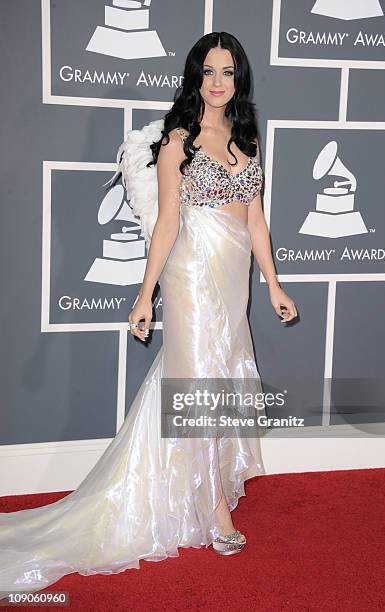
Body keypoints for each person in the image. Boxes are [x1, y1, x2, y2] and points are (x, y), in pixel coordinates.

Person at [0, 31, 297, 594]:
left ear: (239, 80)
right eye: (207, 71)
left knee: (221, 377)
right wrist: (145, 297)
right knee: (196, 378)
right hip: (190, 275)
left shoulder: (249, 139)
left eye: (227, 72)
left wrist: (275, 285)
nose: (217, 82)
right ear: (194, 77)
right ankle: (215, 511)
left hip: (235, 279)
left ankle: (190, 490)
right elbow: (165, 224)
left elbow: (255, 220)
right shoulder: (176, 141)